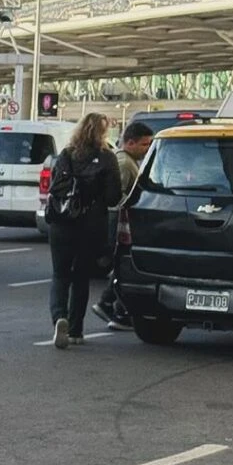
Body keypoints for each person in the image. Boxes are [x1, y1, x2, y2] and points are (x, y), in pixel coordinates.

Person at [46, 112, 122, 348]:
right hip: (89, 226)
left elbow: (54, 187)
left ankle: (59, 317)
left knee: (60, 275)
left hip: (61, 223)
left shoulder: (66, 155)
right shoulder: (108, 158)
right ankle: (76, 330)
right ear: (103, 133)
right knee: (80, 278)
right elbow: (113, 198)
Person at [91, 121, 154, 330]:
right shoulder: (124, 163)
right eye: (145, 145)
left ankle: (119, 310)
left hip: (121, 224)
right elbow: (116, 197)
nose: (147, 149)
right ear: (130, 142)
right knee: (122, 265)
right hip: (119, 224)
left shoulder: (130, 161)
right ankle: (109, 305)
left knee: (123, 266)